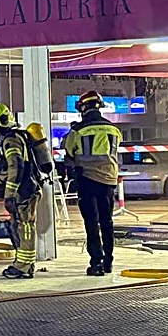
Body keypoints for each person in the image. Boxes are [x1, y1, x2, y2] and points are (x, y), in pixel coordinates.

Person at [64, 90, 123, 277]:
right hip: (109, 181)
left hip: (87, 180)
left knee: (92, 223)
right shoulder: (114, 129)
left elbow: (69, 151)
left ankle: (96, 263)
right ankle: (108, 262)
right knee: (107, 222)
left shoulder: (77, 130)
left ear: (82, 108)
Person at [0, 103, 39, 280]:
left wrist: (10, 194)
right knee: (19, 224)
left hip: (23, 189)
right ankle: (23, 264)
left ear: (2, 121)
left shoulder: (10, 139)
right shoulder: (13, 137)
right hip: (24, 188)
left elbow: (16, 166)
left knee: (25, 226)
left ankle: (23, 266)